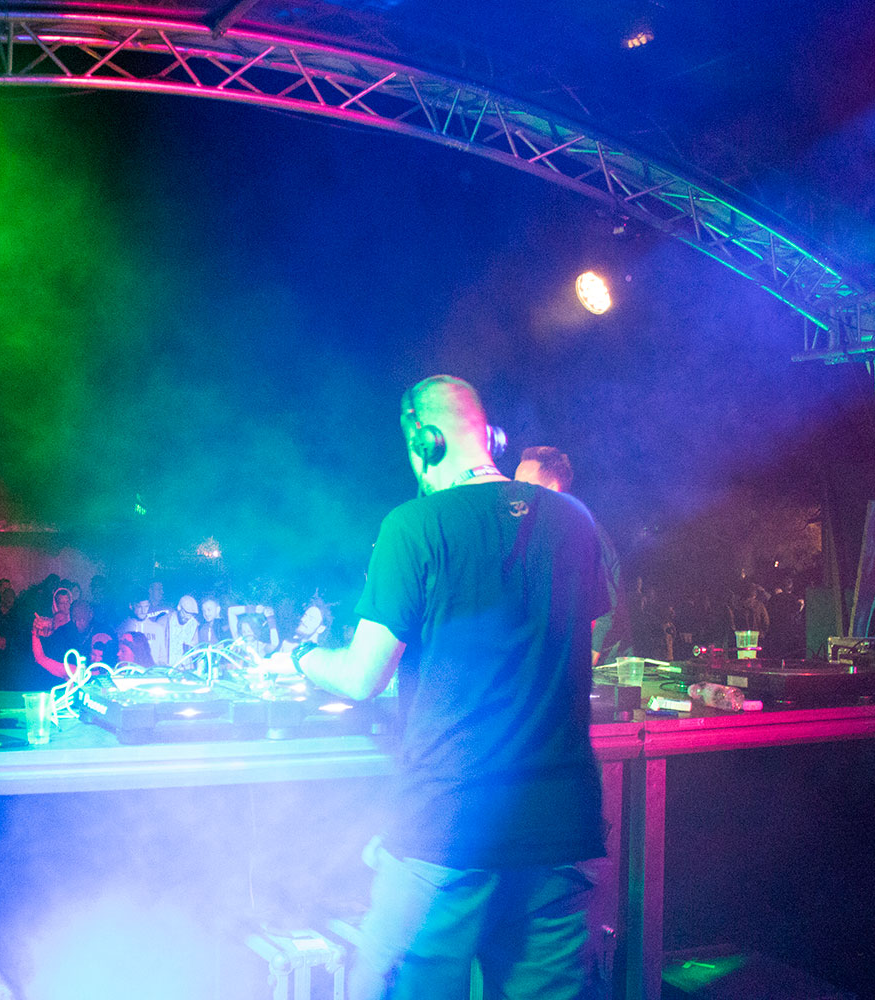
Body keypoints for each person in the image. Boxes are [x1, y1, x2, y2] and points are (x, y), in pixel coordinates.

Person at [267, 376, 607, 1000]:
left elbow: (362, 677)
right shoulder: (575, 520)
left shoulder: (414, 525)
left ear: (425, 440)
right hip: (561, 826)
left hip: (451, 822)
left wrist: (301, 656)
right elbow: (585, 648)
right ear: (491, 437)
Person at [515, 445, 634, 666]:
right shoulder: (541, 533)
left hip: (606, 667)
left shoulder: (578, 529)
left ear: (552, 489)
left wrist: (585, 661)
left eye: (525, 486)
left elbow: (607, 608)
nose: (515, 493)